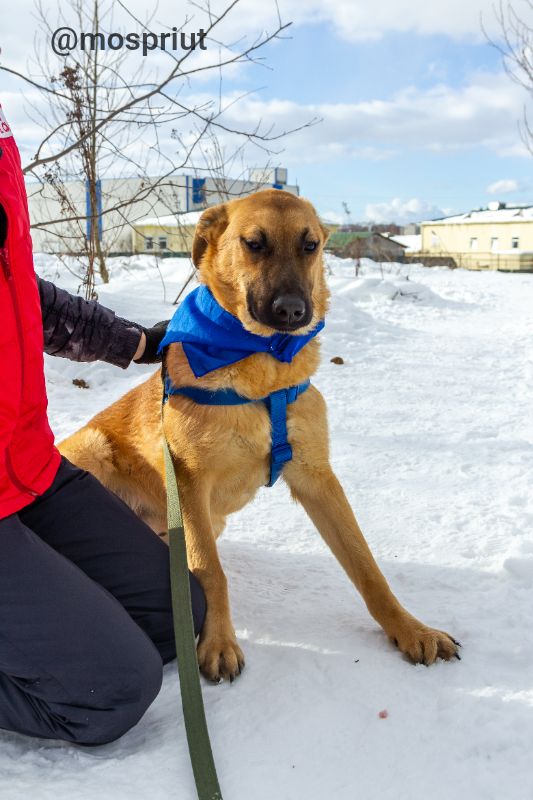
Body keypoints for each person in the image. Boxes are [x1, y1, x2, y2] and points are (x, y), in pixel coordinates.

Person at [0, 104, 206, 746]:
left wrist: (134, 343)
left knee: (178, 614)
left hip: (24, 465)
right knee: (109, 692)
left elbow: (16, 287)